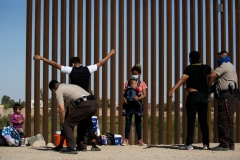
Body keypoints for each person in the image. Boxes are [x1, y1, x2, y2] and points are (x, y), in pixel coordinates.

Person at [33, 49, 115, 151]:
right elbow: (101, 62)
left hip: (74, 101)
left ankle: (64, 145)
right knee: (87, 123)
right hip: (88, 98)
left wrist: (41, 58)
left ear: (72, 64)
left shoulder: (71, 70)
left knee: (66, 123)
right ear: (80, 63)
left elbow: (55, 64)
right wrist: (111, 54)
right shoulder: (88, 69)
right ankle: (89, 145)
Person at [168, 51, 212, 150]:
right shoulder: (206, 67)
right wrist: (209, 85)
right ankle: (206, 144)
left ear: (190, 59)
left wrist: (173, 89)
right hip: (204, 96)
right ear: (199, 58)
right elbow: (213, 75)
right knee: (203, 120)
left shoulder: (189, 68)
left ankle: (189, 144)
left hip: (193, 95)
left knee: (191, 120)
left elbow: (183, 79)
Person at [49, 80, 98, 154]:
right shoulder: (71, 86)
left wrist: (63, 123)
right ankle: (82, 146)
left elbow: (62, 110)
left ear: (53, 90)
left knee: (67, 124)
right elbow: (71, 109)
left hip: (84, 105)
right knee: (82, 121)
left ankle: (71, 147)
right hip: (94, 104)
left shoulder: (59, 90)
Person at [208, 51, 238, 151]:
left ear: (222, 57)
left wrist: (208, 84)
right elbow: (219, 82)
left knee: (223, 119)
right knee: (228, 120)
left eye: (218, 58)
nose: (217, 60)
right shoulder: (230, 66)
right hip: (230, 95)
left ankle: (224, 144)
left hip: (226, 96)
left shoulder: (224, 65)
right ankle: (230, 144)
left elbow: (212, 76)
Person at [121, 64, 147, 146]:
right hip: (128, 104)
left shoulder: (142, 83)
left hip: (137, 104)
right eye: (133, 74)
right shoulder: (127, 82)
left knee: (138, 122)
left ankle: (140, 140)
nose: (134, 75)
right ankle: (126, 140)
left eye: (136, 74)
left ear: (139, 74)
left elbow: (144, 95)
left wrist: (138, 98)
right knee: (128, 122)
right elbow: (124, 93)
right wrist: (124, 99)